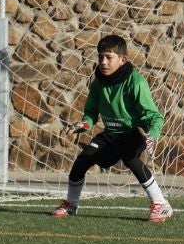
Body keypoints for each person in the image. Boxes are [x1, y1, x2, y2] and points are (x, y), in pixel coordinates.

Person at [51, 34, 173, 222]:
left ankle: (160, 204)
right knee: (82, 160)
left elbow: (155, 116)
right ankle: (71, 204)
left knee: (129, 156)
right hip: (111, 134)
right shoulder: (98, 82)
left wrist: (152, 136)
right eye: (100, 57)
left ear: (123, 60)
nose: (103, 62)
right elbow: (91, 113)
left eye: (109, 57)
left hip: (135, 133)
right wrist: (83, 124)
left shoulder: (136, 82)